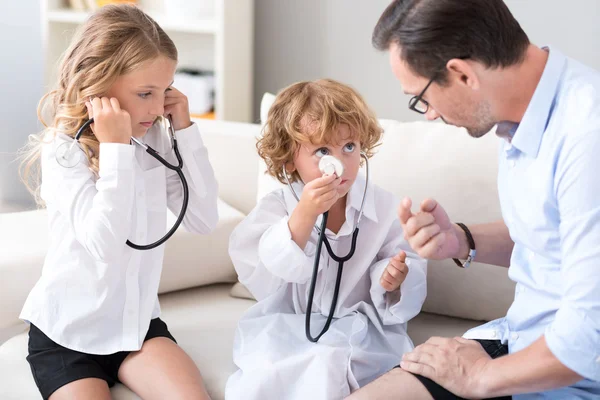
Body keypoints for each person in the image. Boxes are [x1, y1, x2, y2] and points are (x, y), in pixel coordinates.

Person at [347, 0, 600, 399]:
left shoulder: (587, 137)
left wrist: (477, 377)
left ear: (462, 74)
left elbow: (588, 338)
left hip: (570, 373)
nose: (428, 115)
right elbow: (555, 240)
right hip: (520, 343)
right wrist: (460, 240)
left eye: (421, 98)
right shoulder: (517, 118)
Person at [19, 5, 218, 399]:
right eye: (145, 93)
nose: (156, 107)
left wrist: (185, 130)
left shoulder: (156, 136)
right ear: (98, 86)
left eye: (166, 90)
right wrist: (115, 151)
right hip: (66, 335)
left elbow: (202, 219)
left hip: (136, 327)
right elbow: (104, 245)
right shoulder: (63, 151)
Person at [225, 79, 427, 400]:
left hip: (360, 326)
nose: (341, 162)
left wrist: (392, 278)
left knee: (336, 361)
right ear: (290, 159)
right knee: (274, 373)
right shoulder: (279, 206)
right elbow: (262, 271)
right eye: (322, 151)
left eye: (349, 147)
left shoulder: (385, 207)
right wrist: (304, 215)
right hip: (289, 325)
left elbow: (406, 263)